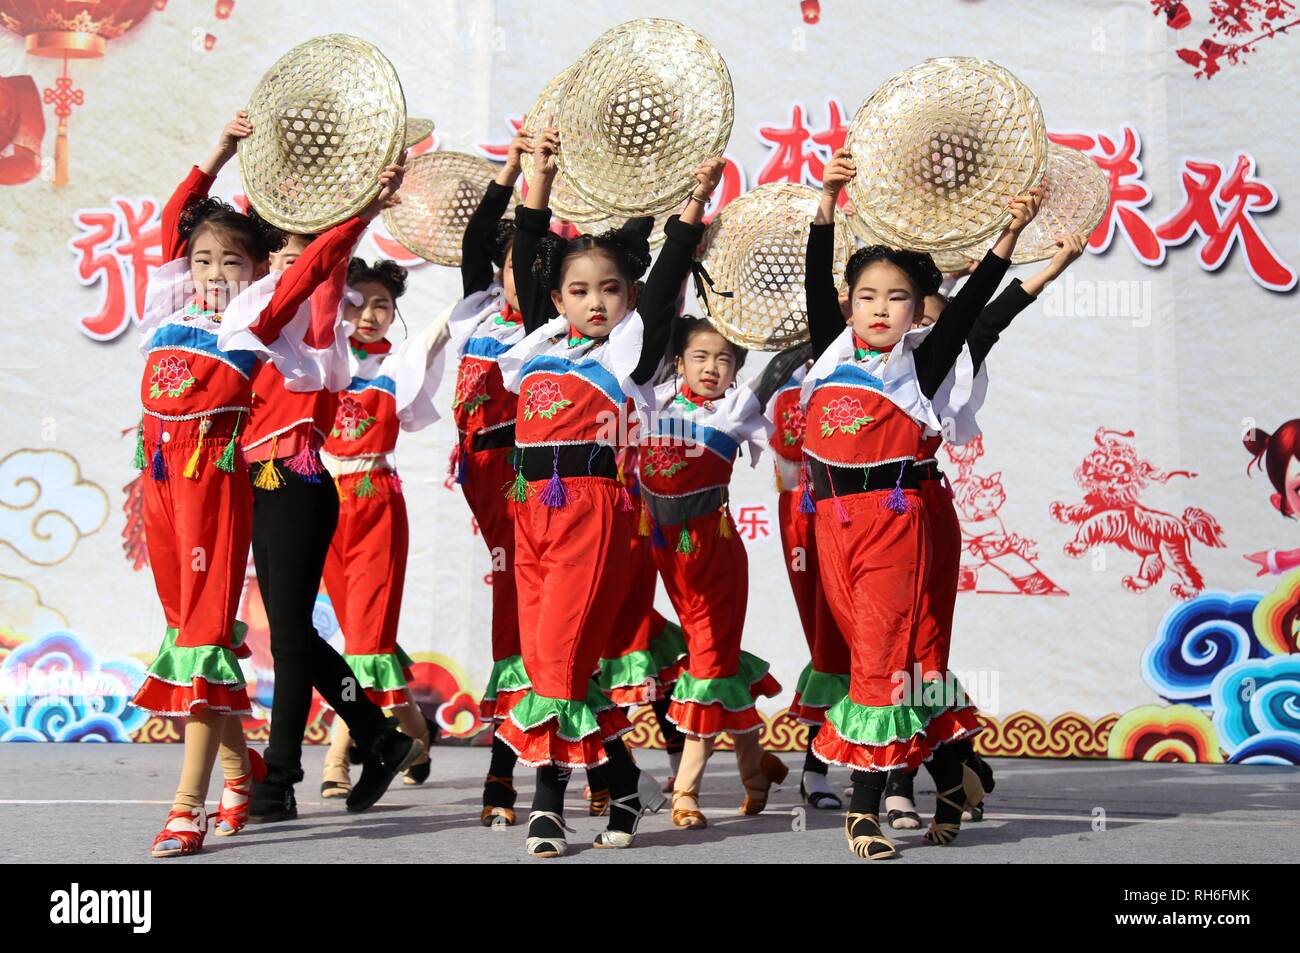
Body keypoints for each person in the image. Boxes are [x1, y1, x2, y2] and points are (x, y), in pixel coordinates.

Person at [803, 146, 1040, 859]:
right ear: (849, 304)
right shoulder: (830, 353)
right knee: (901, 664)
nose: (880, 308)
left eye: (897, 296)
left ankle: (865, 808)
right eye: (868, 295)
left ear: (914, 308)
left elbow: (969, 309)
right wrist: (827, 204)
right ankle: (952, 770)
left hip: (897, 526)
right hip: (830, 528)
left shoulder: (921, 363)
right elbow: (818, 284)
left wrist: (1006, 242)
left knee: (883, 660)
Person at [494, 124, 722, 856]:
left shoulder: (631, 350)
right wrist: (541, 178)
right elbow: (529, 252)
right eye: (579, 290)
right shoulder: (541, 340)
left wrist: (692, 205)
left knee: (559, 661)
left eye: (610, 289)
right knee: (552, 665)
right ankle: (625, 786)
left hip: (595, 512)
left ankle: (547, 806)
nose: (595, 301)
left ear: (628, 295)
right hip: (527, 510)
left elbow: (667, 278)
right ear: (556, 297)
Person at [638, 319, 805, 828]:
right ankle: (756, 770)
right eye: (701, 356)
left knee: (707, 670)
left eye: (725, 359)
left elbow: (779, 368)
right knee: (718, 663)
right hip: (669, 555)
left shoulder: (734, 409)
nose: (712, 368)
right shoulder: (651, 401)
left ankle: (684, 792)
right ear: (679, 361)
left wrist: (822, 318)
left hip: (714, 556)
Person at [316, 256, 448, 799]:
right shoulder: (321, 358)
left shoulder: (400, 365)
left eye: (382, 305)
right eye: (357, 303)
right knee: (359, 644)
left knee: (366, 645)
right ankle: (415, 735)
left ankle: (337, 759)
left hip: (376, 504)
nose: (369, 315)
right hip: (323, 504)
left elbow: (443, 329)